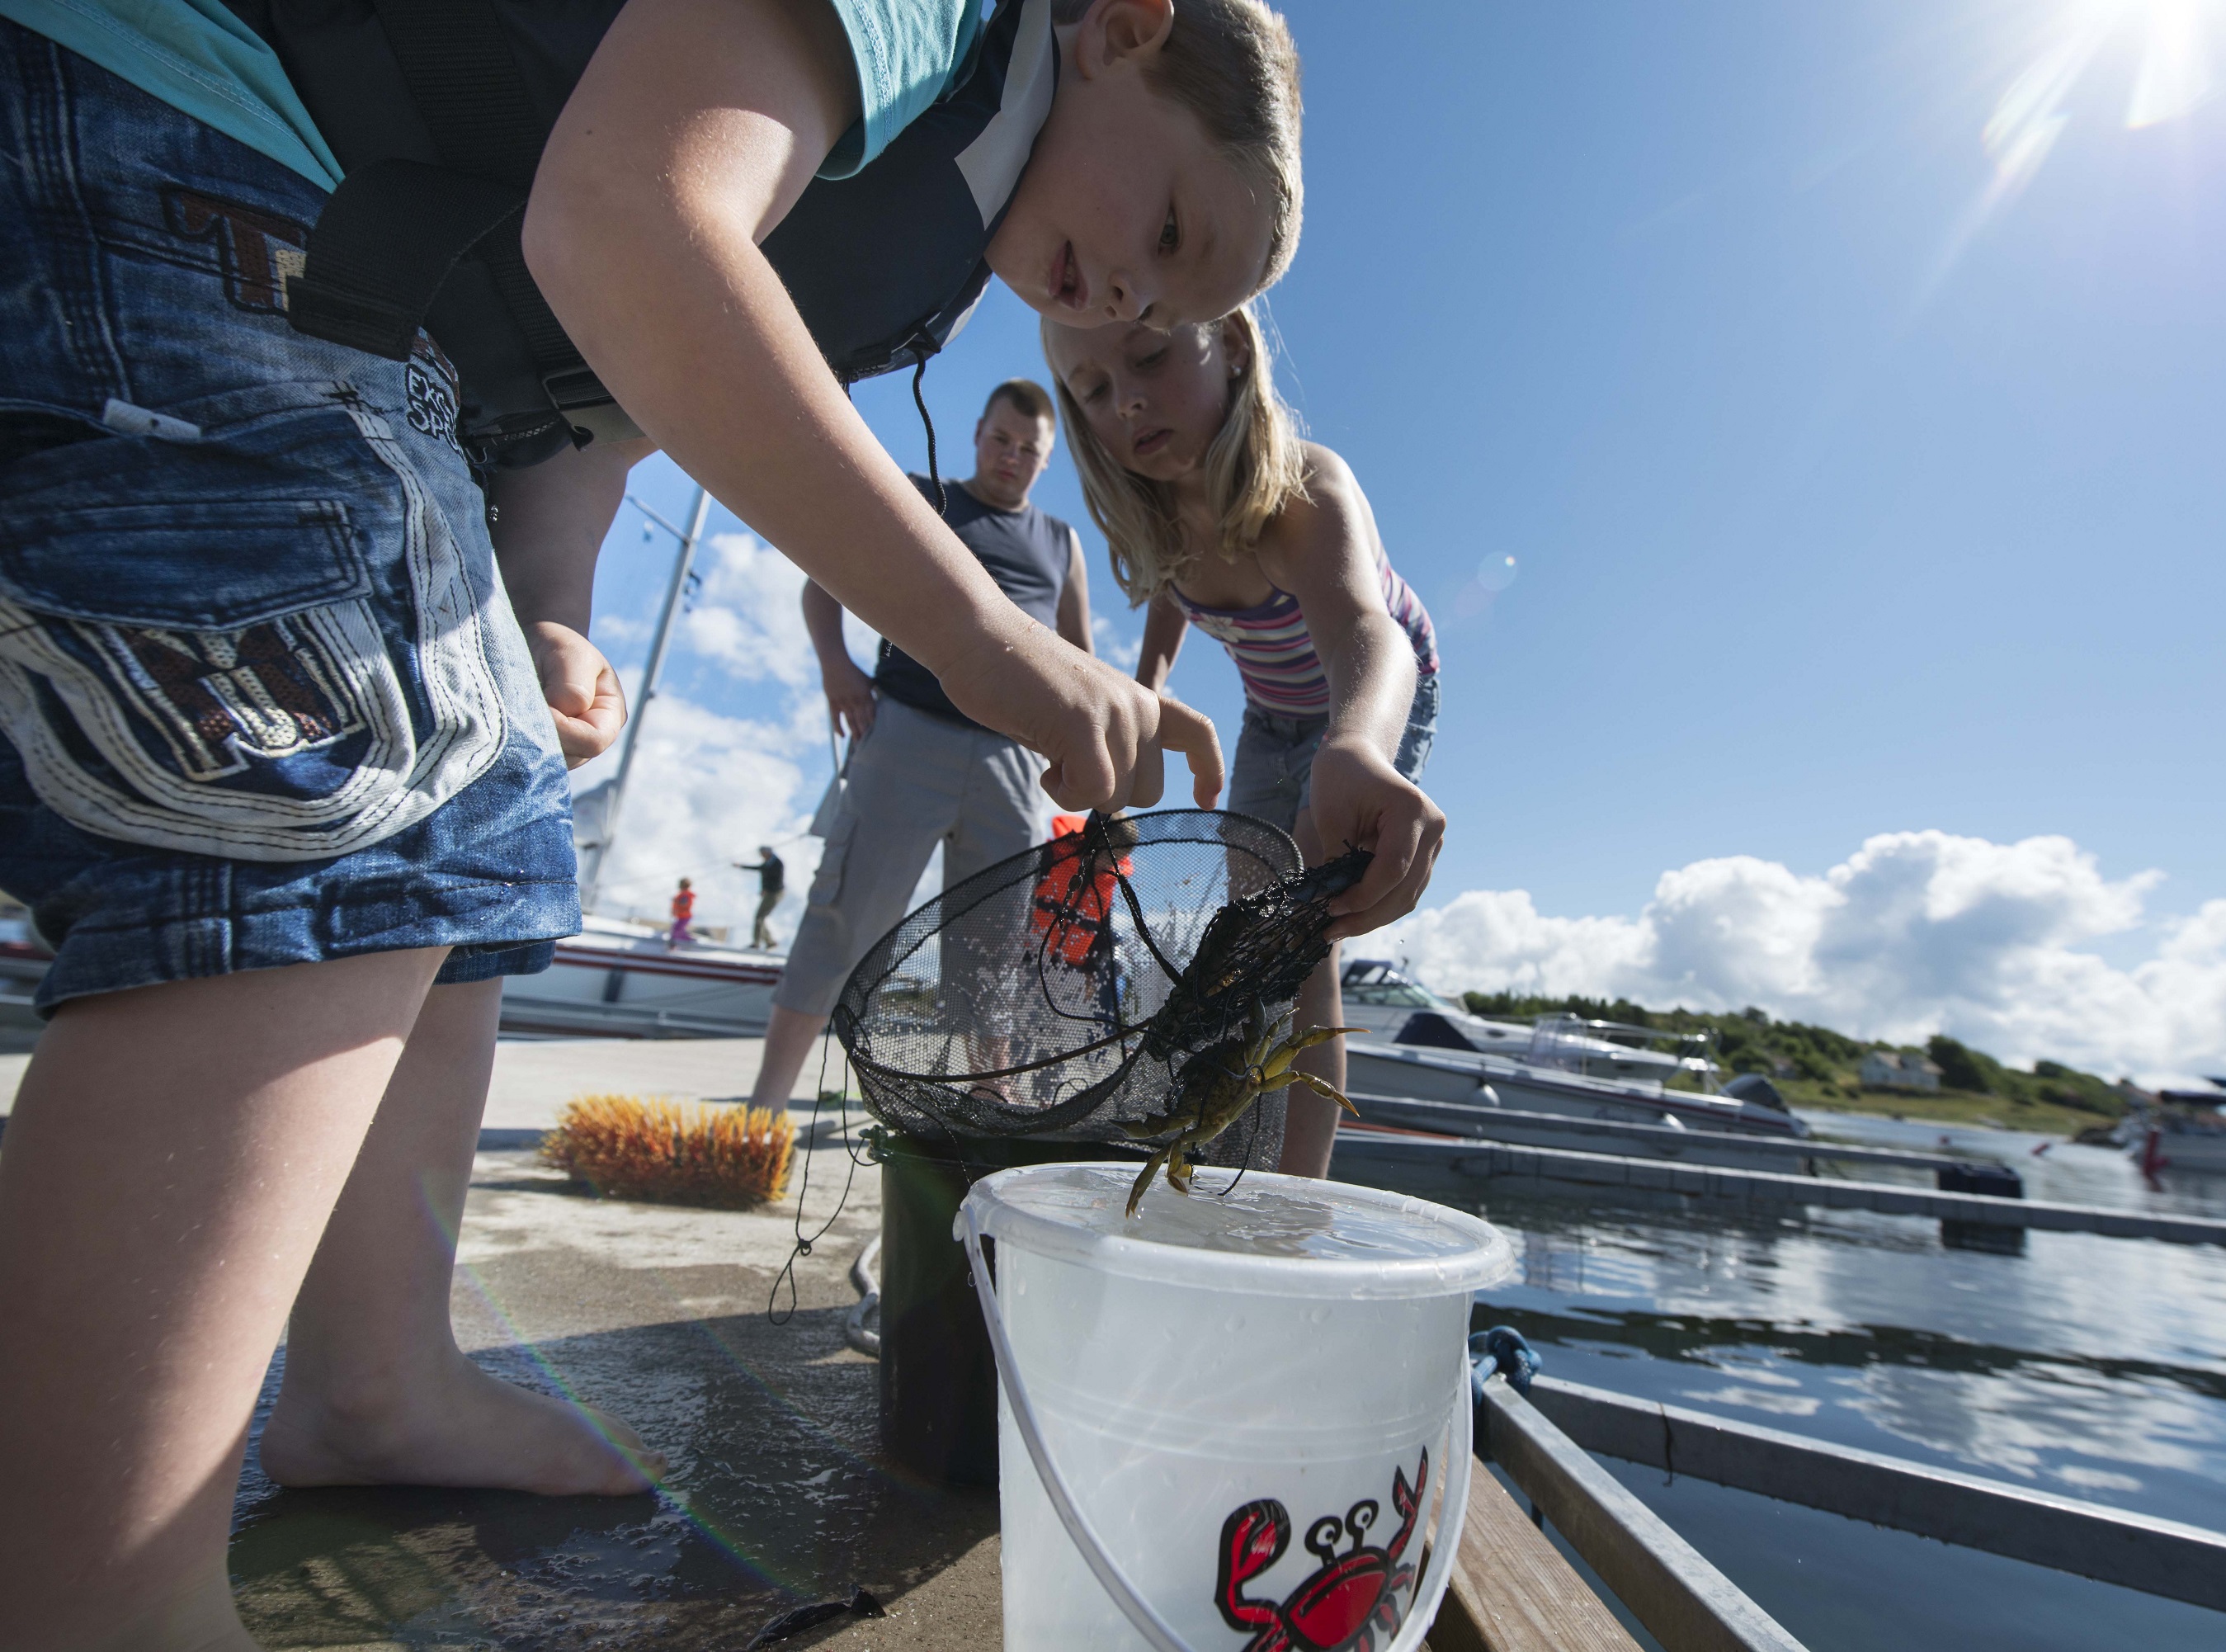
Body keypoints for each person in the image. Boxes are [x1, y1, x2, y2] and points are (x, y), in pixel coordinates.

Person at [0, 1, 1293, 1645]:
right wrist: (984, 636)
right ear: (1121, 28)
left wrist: (546, 607)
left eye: (1174, 302)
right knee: (337, 830)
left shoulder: (928, 227)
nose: (1126, 297)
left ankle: (372, 1377)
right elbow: (625, 219)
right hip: (168, 140)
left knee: (481, 837)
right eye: (1168, 230)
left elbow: (591, 398)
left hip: (344, 289)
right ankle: (94, 1590)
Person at [1045, 304, 1447, 1179]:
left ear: (1230, 343)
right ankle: (1225, 1148)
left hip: (1375, 696)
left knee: (1304, 938)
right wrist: (1148, 689)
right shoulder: (1159, 517)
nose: (1129, 406)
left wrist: (1358, 747)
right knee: (1244, 935)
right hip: (1271, 716)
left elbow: (1361, 637)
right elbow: (1166, 587)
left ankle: (1292, 1200)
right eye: (1096, 392)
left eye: (1150, 359)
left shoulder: (1302, 492)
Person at [748, 379, 1141, 1111]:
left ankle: (992, 1102)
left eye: (1029, 450)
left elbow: (1081, 655)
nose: (1012, 457)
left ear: (1046, 460)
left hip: (1016, 759)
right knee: (845, 916)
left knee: (995, 944)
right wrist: (838, 670)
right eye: (1001, 440)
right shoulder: (924, 494)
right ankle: (765, 1107)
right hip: (906, 731)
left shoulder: (1061, 542)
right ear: (977, 434)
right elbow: (822, 579)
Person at [737, 846, 787, 949]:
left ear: (767, 853)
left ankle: (757, 943)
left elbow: (774, 879)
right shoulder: (769, 863)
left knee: (759, 917)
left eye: (762, 853)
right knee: (760, 918)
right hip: (770, 893)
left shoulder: (776, 863)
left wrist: (766, 889)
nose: (761, 856)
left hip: (775, 893)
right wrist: (741, 866)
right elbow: (761, 870)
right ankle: (769, 942)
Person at [669, 878, 698, 947]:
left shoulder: (685, 895)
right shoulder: (683, 894)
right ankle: (677, 940)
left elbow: (684, 903)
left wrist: (676, 901)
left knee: (678, 929)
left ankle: (681, 941)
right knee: (677, 928)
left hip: (685, 916)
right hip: (682, 916)